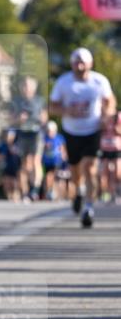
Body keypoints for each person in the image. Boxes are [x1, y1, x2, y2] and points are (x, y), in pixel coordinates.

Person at [50, 47, 115, 228]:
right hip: (72, 131)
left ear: (90, 64)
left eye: (83, 63)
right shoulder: (64, 82)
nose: (80, 66)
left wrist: (106, 117)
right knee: (76, 170)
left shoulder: (99, 81)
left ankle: (88, 207)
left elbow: (110, 102)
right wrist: (65, 110)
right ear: (72, 64)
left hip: (92, 130)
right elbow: (53, 106)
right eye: (76, 63)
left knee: (90, 167)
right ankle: (78, 191)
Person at [11, 75, 47, 202]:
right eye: (24, 86)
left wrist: (38, 119)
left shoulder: (39, 101)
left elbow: (44, 118)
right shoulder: (17, 101)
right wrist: (18, 119)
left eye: (28, 85)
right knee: (25, 163)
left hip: (36, 133)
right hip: (22, 133)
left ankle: (35, 189)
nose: (26, 88)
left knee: (36, 160)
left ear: (33, 87)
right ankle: (25, 192)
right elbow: (11, 119)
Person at [41, 119, 67, 201]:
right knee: (48, 177)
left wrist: (64, 157)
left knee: (58, 177)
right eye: (48, 130)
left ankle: (59, 195)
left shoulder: (59, 138)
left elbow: (63, 149)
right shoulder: (44, 138)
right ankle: (49, 192)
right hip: (47, 161)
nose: (49, 132)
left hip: (57, 161)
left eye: (51, 130)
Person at [99, 108, 121, 204]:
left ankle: (116, 190)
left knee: (117, 173)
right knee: (105, 173)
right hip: (104, 148)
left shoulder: (118, 116)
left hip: (116, 148)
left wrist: (116, 128)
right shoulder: (101, 115)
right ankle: (108, 193)